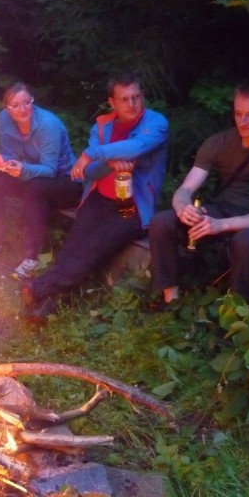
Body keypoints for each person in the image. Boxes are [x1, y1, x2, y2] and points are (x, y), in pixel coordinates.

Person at [21, 73, 168, 322]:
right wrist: (110, 163)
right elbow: (89, 172)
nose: (132, 104)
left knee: (92, 248)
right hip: (99, 197)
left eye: (136, 97)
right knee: (74, 246)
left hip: (129, 207)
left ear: (142, 96)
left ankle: (39, 288)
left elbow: (138, 147)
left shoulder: (155, 123)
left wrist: (93, 153)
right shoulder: (102, 127)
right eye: (124, 99)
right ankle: (48, 304)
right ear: (112, 102)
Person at [148, 83, 249, 307]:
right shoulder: (219, 142)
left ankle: (238, 313)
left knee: (246, 240)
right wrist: (183, 207)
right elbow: (185, 189)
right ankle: (171, 300)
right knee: (162, 221)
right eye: (238, 114)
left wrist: (222, 225)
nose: (243, 122)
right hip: (223, 210)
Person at [0, 82, 82, 280]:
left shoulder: (47, 125)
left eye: (26, 102)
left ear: (32, 102)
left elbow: (50, 170)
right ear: (6, 108)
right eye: (15, 105)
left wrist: (23, 169)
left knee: (35, 188)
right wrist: (4, 164)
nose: (22, 109)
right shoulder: (4, 120)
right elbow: (9, 152)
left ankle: (31, 257)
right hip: (30, 174)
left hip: (65, 182)